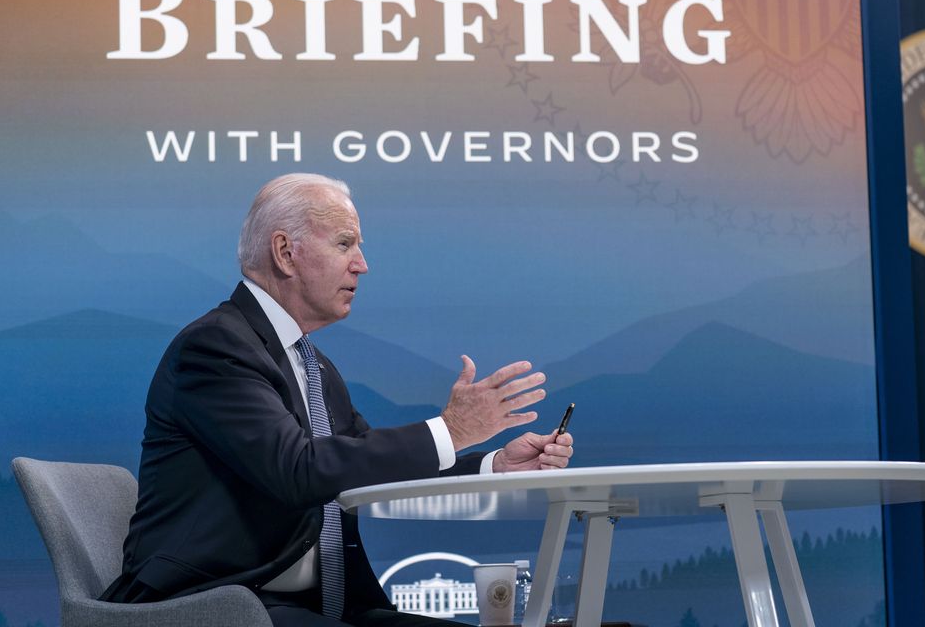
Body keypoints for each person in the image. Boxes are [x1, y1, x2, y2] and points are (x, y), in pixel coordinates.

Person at [101, 173, 574, 627]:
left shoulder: (312, 364)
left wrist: (493, 465)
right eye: (345, 243)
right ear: (286, 253)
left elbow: (366, 464)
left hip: (316, 607)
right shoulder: (215, 348)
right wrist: (450, 429)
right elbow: (300, 472)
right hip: (217, 605)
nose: (362, 263)